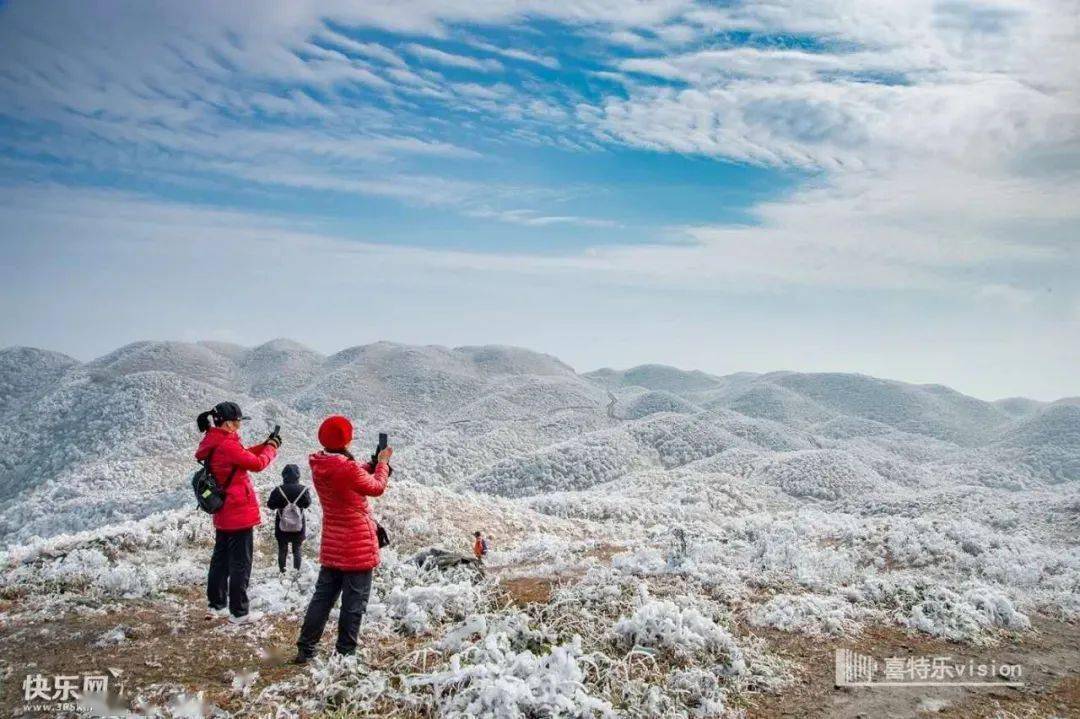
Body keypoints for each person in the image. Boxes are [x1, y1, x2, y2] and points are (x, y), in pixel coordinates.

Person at [295, 415, 391, 663]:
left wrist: (370, 464)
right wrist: (382, 464)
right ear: (346, 438)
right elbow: (377, 487)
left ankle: (306, 648)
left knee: (323, 597)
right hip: (356, 543)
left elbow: (352, 474)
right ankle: (345, 654)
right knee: (354, 601)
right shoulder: (345, 468)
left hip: (333, 543)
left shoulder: (320, 463)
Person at [195, 402, 280, 625]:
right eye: (238, 422)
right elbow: (258, 464)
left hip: (223, 511)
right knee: (241, 563)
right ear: (229, 423)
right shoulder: (228, 445)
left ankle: (217, 604)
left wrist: (264, 444)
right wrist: (271, 449)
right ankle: (239, 613)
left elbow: (241, 457)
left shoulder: (214, 440)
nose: (240, 426)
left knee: (220, 560)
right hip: (238, 510)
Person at [266, 464, 311, 574]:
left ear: (284, 475)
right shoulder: (303, 489)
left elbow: (270, 505)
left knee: (282, 549)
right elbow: (307, 504)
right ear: (298, 476)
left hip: (282, 523)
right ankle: (296, 574)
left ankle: (282, 572)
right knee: (297, 549)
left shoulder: (278, 490)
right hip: (298, 524)